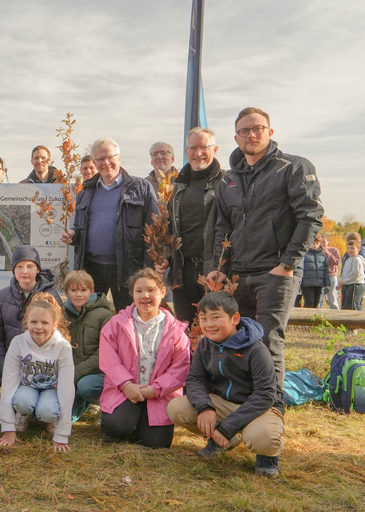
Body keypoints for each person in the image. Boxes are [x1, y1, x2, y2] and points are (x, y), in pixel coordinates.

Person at [207, 107, 323, 388]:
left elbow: (310, 217)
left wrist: (286, 265)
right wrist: (220, 269)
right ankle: (243, 407)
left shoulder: (292, 167)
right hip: (239, 276)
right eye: (244, 130)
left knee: (268, 343)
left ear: (270, 132)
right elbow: (224, 228)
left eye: (257, 128)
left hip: (275, 273)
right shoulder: (228, 179)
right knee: (240, 342)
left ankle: (270, 413)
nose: (252, 134)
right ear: (236, 138)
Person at [166, 292, 285, 477]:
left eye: (216, 317)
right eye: (204, 318)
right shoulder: (206, 345)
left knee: (261, 438)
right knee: (177, 408)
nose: (209, 324)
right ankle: (223, 441)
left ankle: (267, 457)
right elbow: (196, 379)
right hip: (224, 403)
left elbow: (266, 395)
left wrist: (227, 427)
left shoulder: (256, 349)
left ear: (234, 318)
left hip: (260, 407)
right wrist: (205, 407)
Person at [61, 138, 159, 312]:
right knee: (88, 317)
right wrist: (73, 235)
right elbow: (80, 229)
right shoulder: (86, 191)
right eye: (99, 159)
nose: (105, 163)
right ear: (95, 162)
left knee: (128, 318)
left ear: (119, 158)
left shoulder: (141, 188)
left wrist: (147, 271)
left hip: (129, 269)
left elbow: (153, 231)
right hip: (92, 269)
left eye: (110, 157)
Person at [98, 268, 190, 448]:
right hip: (125, 390)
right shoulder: (117, 323)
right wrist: (126, 385)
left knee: (156, 444)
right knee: (115, 428)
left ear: (163, 292)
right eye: (139, 291)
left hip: (158, 394)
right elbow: (109, 360)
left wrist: (154, 390)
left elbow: (180, 368)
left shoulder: (176, 330)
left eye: (151, 290)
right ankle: (128, 418)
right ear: (132, 294)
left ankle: (142, 421)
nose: (145, 296)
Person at [157, 127, 224, 326]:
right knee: (185, 329)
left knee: (214, 328)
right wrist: (165, 256)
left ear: (215, 149)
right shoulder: (176, 187)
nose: (198, 153)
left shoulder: (228, 183)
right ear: (186, 152)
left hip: (214, 270)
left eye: (204, 147)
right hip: (182, 272)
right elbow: (170, 229)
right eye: (193, 148)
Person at [0, 293, 74, 453]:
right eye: (34, 322)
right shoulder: (18, 343)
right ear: (26, 322)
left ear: (54, 324)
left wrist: (62, 434)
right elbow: (9, 384)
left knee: (47, 411)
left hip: (51, 390)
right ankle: (23, 415)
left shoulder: (63, 347)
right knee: (22, 401)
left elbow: (67, 389)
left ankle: (51, 420)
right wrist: (8, 428)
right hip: (27, 388)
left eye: (45, 322)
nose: (38, 327)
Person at [0, 246, 62, 375]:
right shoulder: (2, 296)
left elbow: (59, 332)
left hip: (43, 366)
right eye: (19, 267)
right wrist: (4, 365)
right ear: (13, 270)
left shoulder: (51, 296)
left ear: (38, 269)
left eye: (30, 266)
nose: (24, 271)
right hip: (11, 363)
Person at [62, 270, 113, 421]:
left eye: (83, 290)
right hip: (71, 373)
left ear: (91, 291)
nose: (79, 294)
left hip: (97, 374)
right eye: (74, 290)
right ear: (66, 292)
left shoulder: (104, 316)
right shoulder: (63, 317)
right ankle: (78, 405)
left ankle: (104, 405)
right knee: (62, 417)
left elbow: (104, 353)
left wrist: (75, 373)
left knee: (86, 386)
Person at [299, 235, 329, 309]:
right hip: (307, 284)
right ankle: (306, 320)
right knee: (309, 303)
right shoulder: (304, 254)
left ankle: (314, 320)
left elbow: (325, 270)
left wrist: (327, 284)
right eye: (313, 243)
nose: (315, 245)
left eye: (317, 243)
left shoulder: (322, 255)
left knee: (316, 304)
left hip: (318, 284)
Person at [341, 232, 365, 310]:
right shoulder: (348, 259)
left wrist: (345, 281)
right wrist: (341, 282)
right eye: (348, 248)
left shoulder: (358, 259)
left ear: (358, 249)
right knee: (346, 305)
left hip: (355, 284)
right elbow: (344, 272)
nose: (349, 250)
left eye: (352, 248)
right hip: (347, 284)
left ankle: (356, 322)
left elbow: (356, 274)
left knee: (353, 306)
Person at [320, 235, 341, 309]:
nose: (322, 244)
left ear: (328, 242)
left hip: (331, 275)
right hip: (321, 276)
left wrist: (328, 253)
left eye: (324, 242)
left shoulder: (334, 250)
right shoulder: (318, 251)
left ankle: (335, 314)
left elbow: (337, 262)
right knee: (319, 297)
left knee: (332, 296)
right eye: (321, 242)